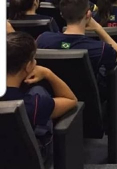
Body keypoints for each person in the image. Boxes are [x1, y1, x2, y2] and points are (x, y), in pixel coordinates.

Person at [1, 32, 77, 162]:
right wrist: (48, 73)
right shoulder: (35, 102)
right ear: (28, 66)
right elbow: (71, 100)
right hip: (21, 164)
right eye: (33, 59)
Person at [36, 0, 117, 101]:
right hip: (89, 102)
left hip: (54, 100)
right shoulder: (100, 48)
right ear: (88, 14)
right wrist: (98, 28)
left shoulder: (42, 39)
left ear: (62, 14)